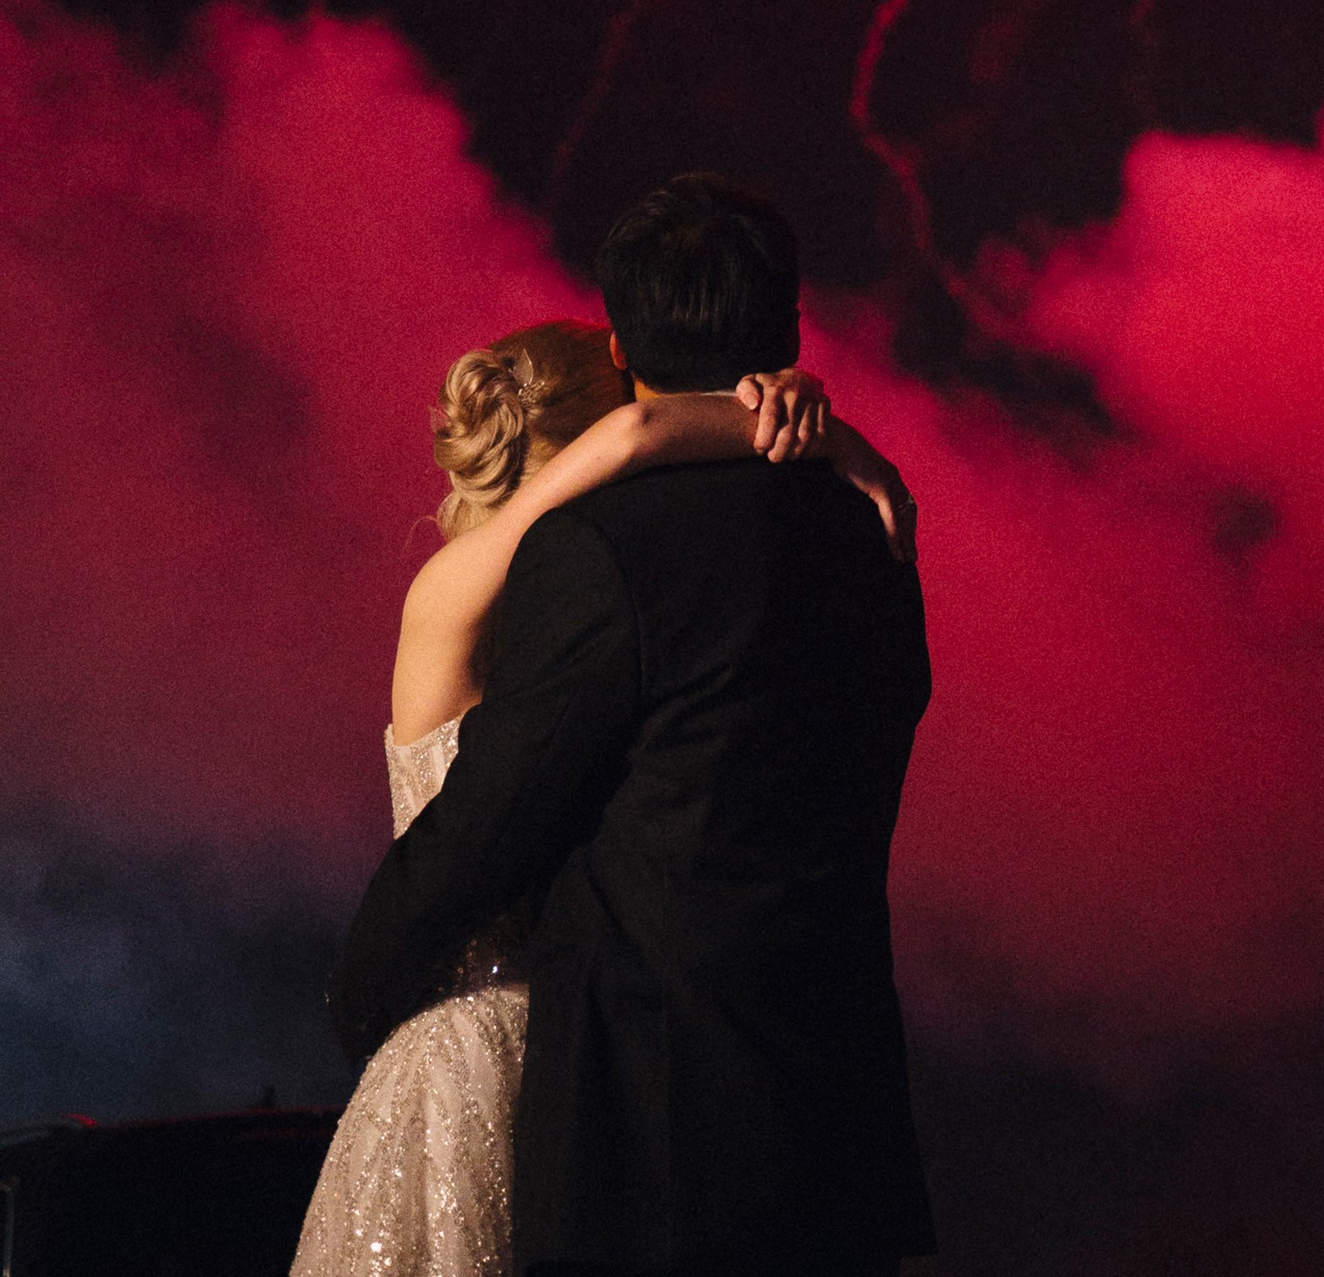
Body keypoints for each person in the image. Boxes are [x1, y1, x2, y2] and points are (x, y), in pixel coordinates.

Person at [317, 186, 932, 1276]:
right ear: (790, 330)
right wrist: (831, 438)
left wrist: (357, 1000)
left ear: (620, 344)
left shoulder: (599, 550)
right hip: (838, 1118)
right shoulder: (871, 534)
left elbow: (486, 824)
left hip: (644, 1122)